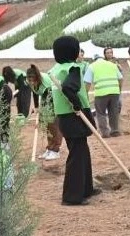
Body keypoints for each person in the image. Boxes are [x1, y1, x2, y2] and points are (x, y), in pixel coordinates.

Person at [50, 36, 99, 205]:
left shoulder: (57, 68)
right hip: (74, 115)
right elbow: (69, 88)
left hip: (64, 116)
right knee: (77, 155)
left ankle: (86, 189)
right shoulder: (72, 68)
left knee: (82, 151)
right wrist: (77, 105)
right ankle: (72, 196)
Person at [27, 64, 62, 161]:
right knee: (47, 126)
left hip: (55, 98)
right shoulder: (29, 81)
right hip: (45, 98)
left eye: (33, 81)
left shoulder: (45, 83)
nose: (31, 83)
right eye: (29, 81)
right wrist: (37, 107)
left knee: (53, 125)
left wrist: (42, 110)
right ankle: (50, 149)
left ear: (37, 78)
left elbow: (50, 100)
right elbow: (34, 92)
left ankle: (56, 151)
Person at [84, 51, 123, 137]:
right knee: (113, 111)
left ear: (94, 60)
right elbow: (121, 78)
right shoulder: (112, 65)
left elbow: (87, 82)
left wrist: (85, 93)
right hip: (114, 92)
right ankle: (115, 131)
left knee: (100, 113)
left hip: (101, 93)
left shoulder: (92, 66)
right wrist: (119, 90)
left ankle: (105, 133)